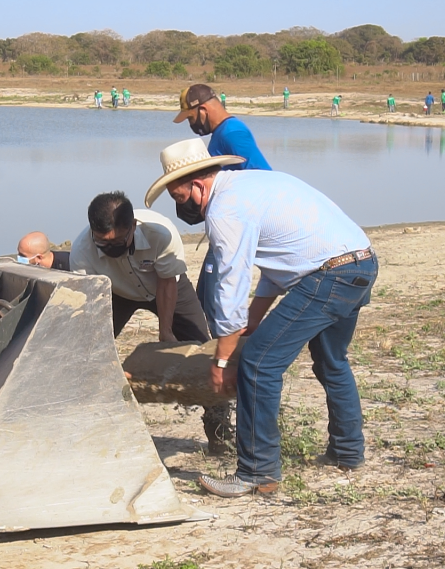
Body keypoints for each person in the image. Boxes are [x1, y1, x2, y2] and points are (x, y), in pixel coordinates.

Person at [145, 137, 377, 497]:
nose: (182, 209)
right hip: (359, 263)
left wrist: (223, 357)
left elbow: (231, 282)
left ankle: (257, 472)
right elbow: (281, 259)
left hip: (327, 276)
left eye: (179, 198)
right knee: (332, 362)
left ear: (197, 184)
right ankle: (347, 453)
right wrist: (254, 318)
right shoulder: (251, 183)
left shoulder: (225, 209)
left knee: (258, 364)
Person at [71, 191, 233, 454]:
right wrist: (102, 356)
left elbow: (167, 282)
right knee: (87, 353)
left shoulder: (162, 233)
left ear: (133, 227)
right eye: (103, 244)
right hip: (117, 292)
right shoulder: (81, 252)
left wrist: (166, 332)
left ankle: (220, 434)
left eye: (119, 242)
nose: (111, 249)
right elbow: (90, 305)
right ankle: (92, 428)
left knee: (205, 353)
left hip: (167, 286)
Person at [171, 83, 271, 338]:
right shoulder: (221, 134)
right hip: (223, 226)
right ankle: (221, 355)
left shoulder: (233, 133)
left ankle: (228, 359)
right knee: (206, 296)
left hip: (233, 227)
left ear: (203, 109)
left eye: (191, 118)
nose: (192, 125)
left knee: (217, 299)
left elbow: (262, 177)